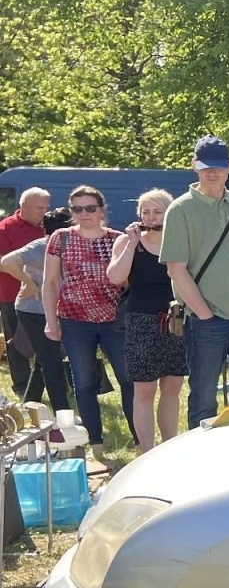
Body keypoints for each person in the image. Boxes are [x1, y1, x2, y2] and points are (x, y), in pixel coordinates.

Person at [161, 135, 229, 428]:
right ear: (194, 165)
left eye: (219, 166)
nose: (213, 172)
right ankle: (201, 453)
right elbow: (176, 269)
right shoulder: (180, 210)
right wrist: (204, 314)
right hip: (205, 320)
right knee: (203, 398)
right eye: (206, 166)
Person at [42, 185, 132, 460]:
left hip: (115, 321)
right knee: (83, 383)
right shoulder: (61, 238)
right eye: (78, 209)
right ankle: (96, 443)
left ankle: (141, 439)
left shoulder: (118, 239)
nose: (84, 213)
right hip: (74, 320)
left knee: (130, 380)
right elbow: (50, 282)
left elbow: (129, 281)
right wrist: (50, 321)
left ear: (102, 210)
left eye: (90, 208)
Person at [107, 190, 186, 453]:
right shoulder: (127, 241)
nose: (151, 217)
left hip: (176, 319)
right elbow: (115, 277)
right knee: (144, 389)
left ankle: (169, 447)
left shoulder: (181, 240)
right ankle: (146, 451)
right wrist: (131, 244)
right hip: (141, 319)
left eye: (157, 211)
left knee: (173, 387)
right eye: (145, 212)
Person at [0, 207, 72, 412]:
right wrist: (29, 283)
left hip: (55, 310)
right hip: (34, 311)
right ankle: (62, 411)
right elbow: (6, 262)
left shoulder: (73, 245)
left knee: (45, 357)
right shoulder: (41, 246)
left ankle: (29, 402)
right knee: (51, 360)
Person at [0, 186, 50, 397]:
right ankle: (22, 385)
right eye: (40, 208)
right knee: (17, 342)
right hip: (13, 294)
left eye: (46, 207)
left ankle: (46, 381)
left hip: (46, 295)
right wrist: (27, 280)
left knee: (47, 340)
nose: (44, 212)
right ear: (24, 206)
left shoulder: (47, 226)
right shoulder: (6, 228)